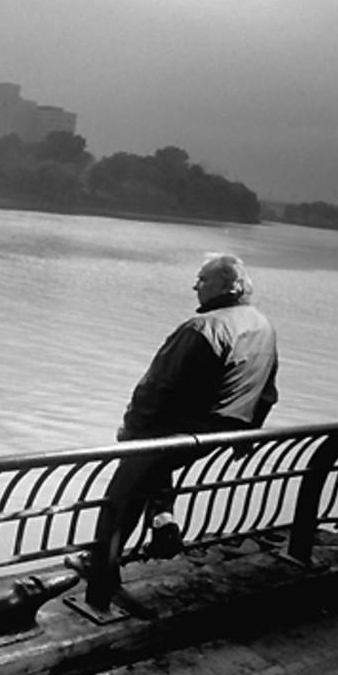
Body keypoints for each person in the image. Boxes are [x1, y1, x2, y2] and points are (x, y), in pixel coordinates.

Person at [77, 252, 279, 611]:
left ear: (228, 285)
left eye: (203, 279)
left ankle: (100, 585)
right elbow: (266, 392)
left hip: (185, 428)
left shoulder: (202, 328)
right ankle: (161, 518)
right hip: (222, 431)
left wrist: (130, 432)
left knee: (119, 498)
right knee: (152, 473)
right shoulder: (262, 325)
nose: (195, 285)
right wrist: (247, 436)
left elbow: (156, 388)